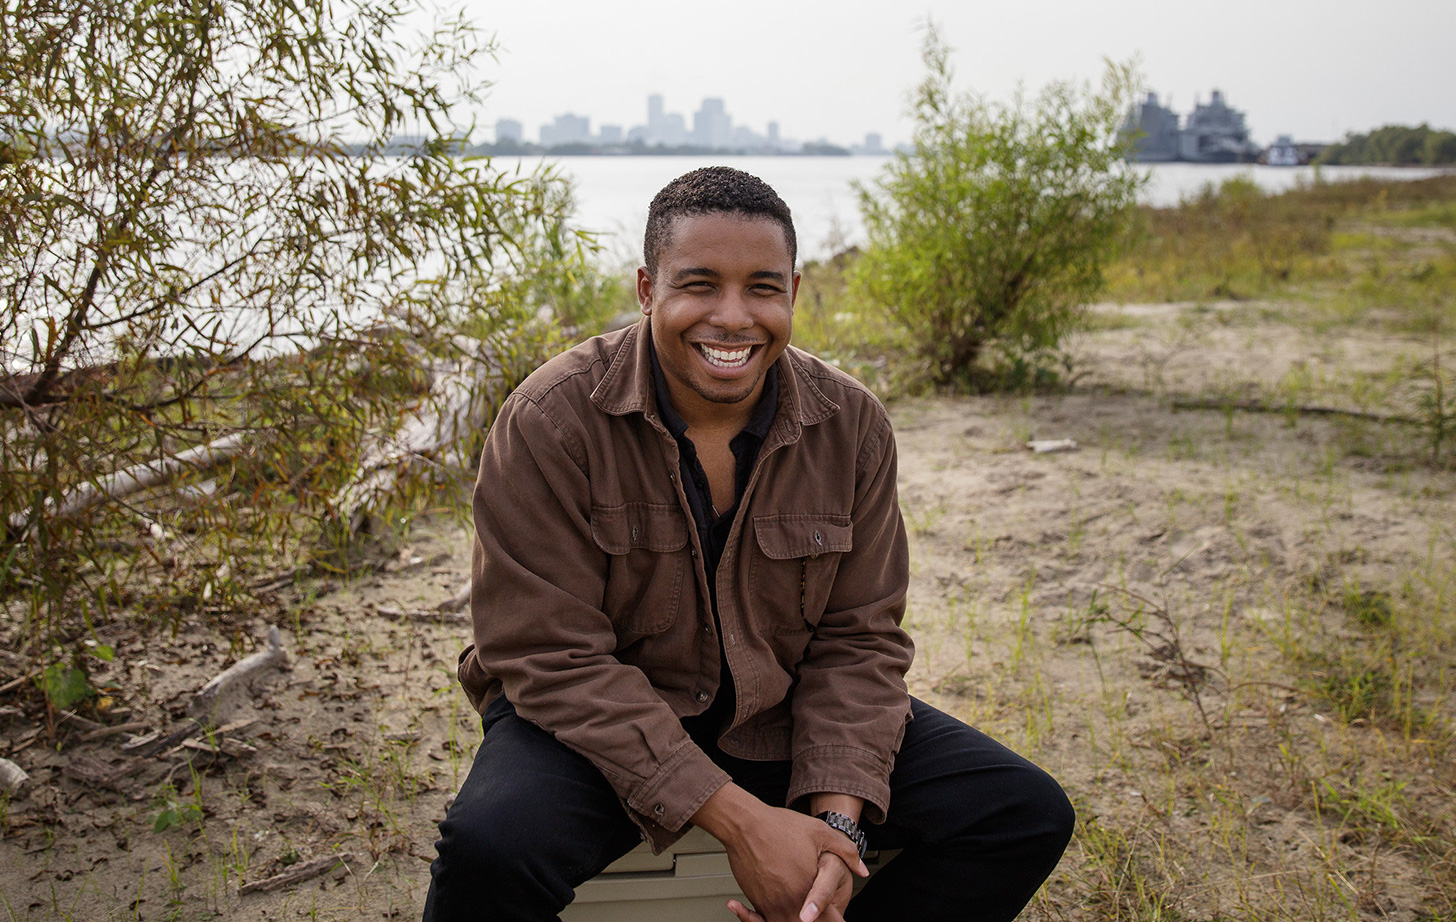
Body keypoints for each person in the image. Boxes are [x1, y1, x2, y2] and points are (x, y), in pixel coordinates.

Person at [423, 166, 1073, 922]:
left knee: (1021, 812)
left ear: (793, 292)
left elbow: (859, 641)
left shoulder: (851, 425)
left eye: (762, 288)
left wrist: (834, 832)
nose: (733, 318)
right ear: (646, 289)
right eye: (699, 284)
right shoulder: (550, 420)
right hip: (595, 727)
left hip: (777, 714)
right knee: (489, 847)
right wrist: (743, 824)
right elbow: (548, 658)